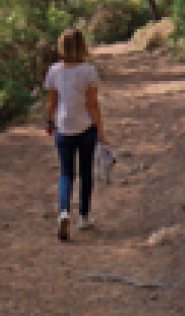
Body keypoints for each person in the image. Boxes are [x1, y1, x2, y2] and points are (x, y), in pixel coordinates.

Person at [44, 27, 109, 241]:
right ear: (82, 45)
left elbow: (52, 101)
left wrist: (49, 121)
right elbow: (93, 104)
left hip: (63, 128)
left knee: (66, 173)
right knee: (86, 173)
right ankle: (83, 216)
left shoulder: (54, 70)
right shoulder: (88, 70)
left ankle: (64, 211)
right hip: (86, 128)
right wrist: (101, 131)